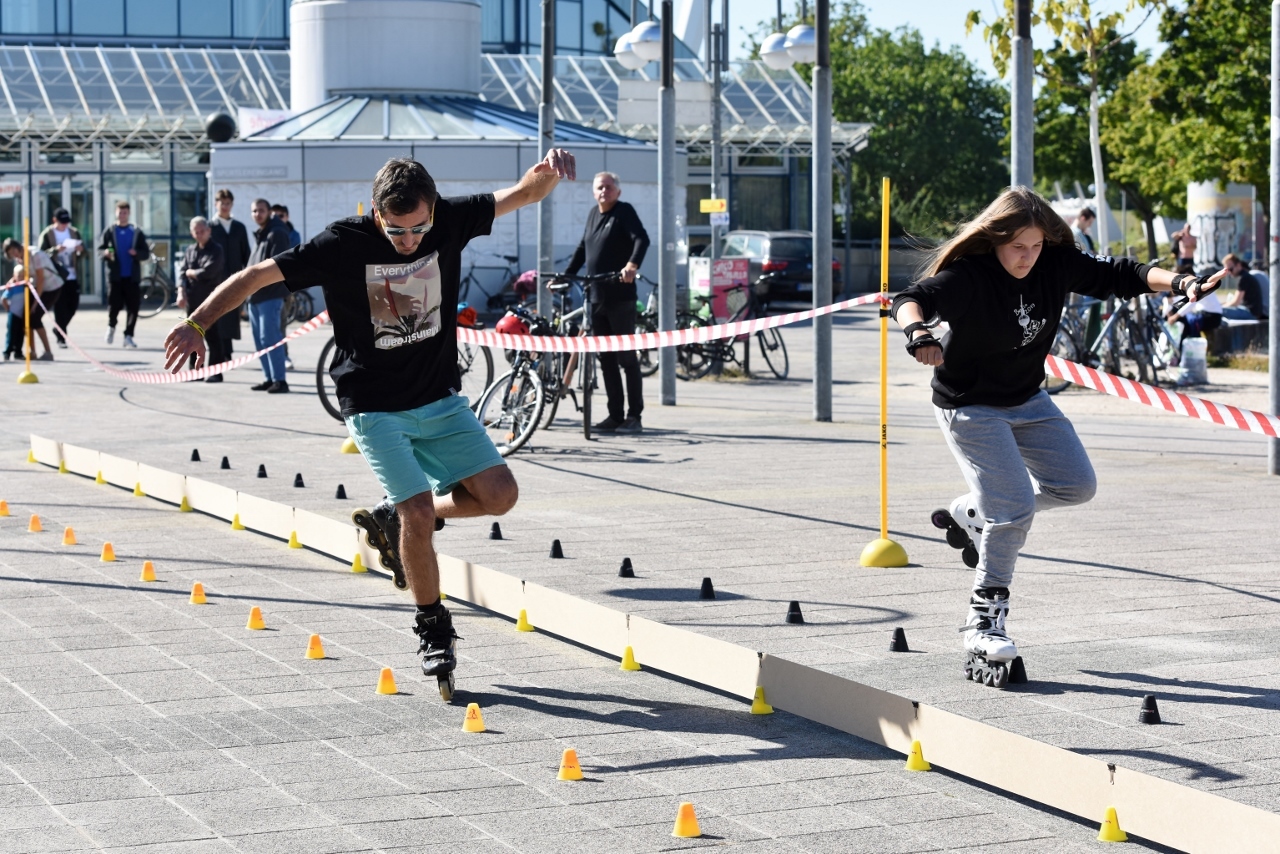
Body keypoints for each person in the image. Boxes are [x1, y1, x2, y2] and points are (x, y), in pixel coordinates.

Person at [163, 149, 578, 688]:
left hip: (439, 398)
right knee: (418, 513)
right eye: (396, 230)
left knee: (500, 495)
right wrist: (197, 323)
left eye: (419, 229)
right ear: (377, 212)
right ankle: (433, 627)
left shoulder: (450, 218)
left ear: (433, 210)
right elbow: (255, 276)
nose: (409, 240)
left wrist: (546, 173)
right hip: (374, 406)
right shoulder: (343, 242)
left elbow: (523, 193)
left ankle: (397, 518)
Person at [890, 187, 1225, 689]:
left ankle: (975, 512)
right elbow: (910, 300)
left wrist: (1181, 282)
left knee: (1076, 486)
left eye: (1035, 246)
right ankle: (983, 623)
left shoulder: (1054, 264)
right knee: (1014, 511)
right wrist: (919, 334)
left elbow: (1124, 274)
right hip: (970, 406)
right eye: (1016, 247)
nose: (1026, 258)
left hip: (1028, 399)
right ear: (995, 240)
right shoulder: (971, 275)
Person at [564, 171, 650, 433]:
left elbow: (641, 238)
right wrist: (566, 276)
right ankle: (615, 415)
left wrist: (632, 265)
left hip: (620, 298)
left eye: (609, 187)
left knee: (627, 359)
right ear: (594, 192)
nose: (604, 191)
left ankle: (634, 416)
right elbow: (583, 248)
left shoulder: (624, 212)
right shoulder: (593, 214)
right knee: (606, 360)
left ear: (618, 191)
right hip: (595, 298)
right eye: (600, 187)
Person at [245, 199, 293, 393]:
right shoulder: (261, 234)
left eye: (261, 210)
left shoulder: (277, 233)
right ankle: (269, 378)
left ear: (269, 212)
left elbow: (277, 267)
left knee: (271, 338)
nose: (258, 214)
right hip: (254, 297)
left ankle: (280, 381)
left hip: (270, 296)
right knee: (260, 341)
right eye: (254, 211)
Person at [175, 217, 226, 373]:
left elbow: (209, 272)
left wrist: (192, 272)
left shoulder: (216, 249)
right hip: (193, 300)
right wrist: (181, 292)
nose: (199, 235)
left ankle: (215, 373)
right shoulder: (190, 250)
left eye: (202, 231)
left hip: (210, 301)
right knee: (192, 337)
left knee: (213, 338)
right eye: (196, 232)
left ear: (208, 231)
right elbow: (182, 272)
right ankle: (195, 371)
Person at [208, 189, 249, 377]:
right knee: (218, 317)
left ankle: (228, 353)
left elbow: (246, 254)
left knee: (231, 316)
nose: (225, 206)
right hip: (215, 281)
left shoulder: (239, 227)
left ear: (232, 205)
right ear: (216, 204)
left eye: (228, 203)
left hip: (235, 280)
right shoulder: (210, 227)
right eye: (221, 203)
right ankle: (222, 355)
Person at [98, 201, 150, 348]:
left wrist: (136, 253)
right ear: (116, 213)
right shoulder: (110, 231)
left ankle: (128, 335)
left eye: (125, 212)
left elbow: (145, 253)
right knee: (114, 305)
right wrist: (105, 253)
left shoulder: (136, 232)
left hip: (132, 277)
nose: (122, 215)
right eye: (120, 212)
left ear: (129, 213)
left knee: (133, 307)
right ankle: (111, 326)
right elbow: (100, 250)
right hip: (115, 277)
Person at [3, 238, 63, 360]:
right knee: (26, 318)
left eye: (14, 251)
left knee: (34, 317)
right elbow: (21, 274)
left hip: (51, 288)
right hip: (36, 287)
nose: (14, 255)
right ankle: (32, 352)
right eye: (10, 254)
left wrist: (35, 304)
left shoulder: (35, 255)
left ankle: (48, 352)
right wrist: (11, 282)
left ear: (17, 246)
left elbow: (41, 279)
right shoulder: (19, 258)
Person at [38, 208, 85, 348]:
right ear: (54, 220)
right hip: (56, 276)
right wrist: (55, 250)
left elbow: (84, 252)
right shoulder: (47, 234)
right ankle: (61, 337)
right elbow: (41, 254)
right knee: (60, 307)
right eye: (61, 222)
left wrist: (81, 250)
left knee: (73, 306)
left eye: (66, 222)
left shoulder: (74, 232)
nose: (64, 225)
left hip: (72, 275)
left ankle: (58, 329)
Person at [1220, 253, 1268, 321]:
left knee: (1218, 311)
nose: (1229, 273)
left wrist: (1219, 307)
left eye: (1230, 269)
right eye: (1227, 271)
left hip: (1251, 313)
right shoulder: (1246, 276)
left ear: (1238, 265)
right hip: (1253, 312)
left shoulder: (1244, 278)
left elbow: (1235, 302)